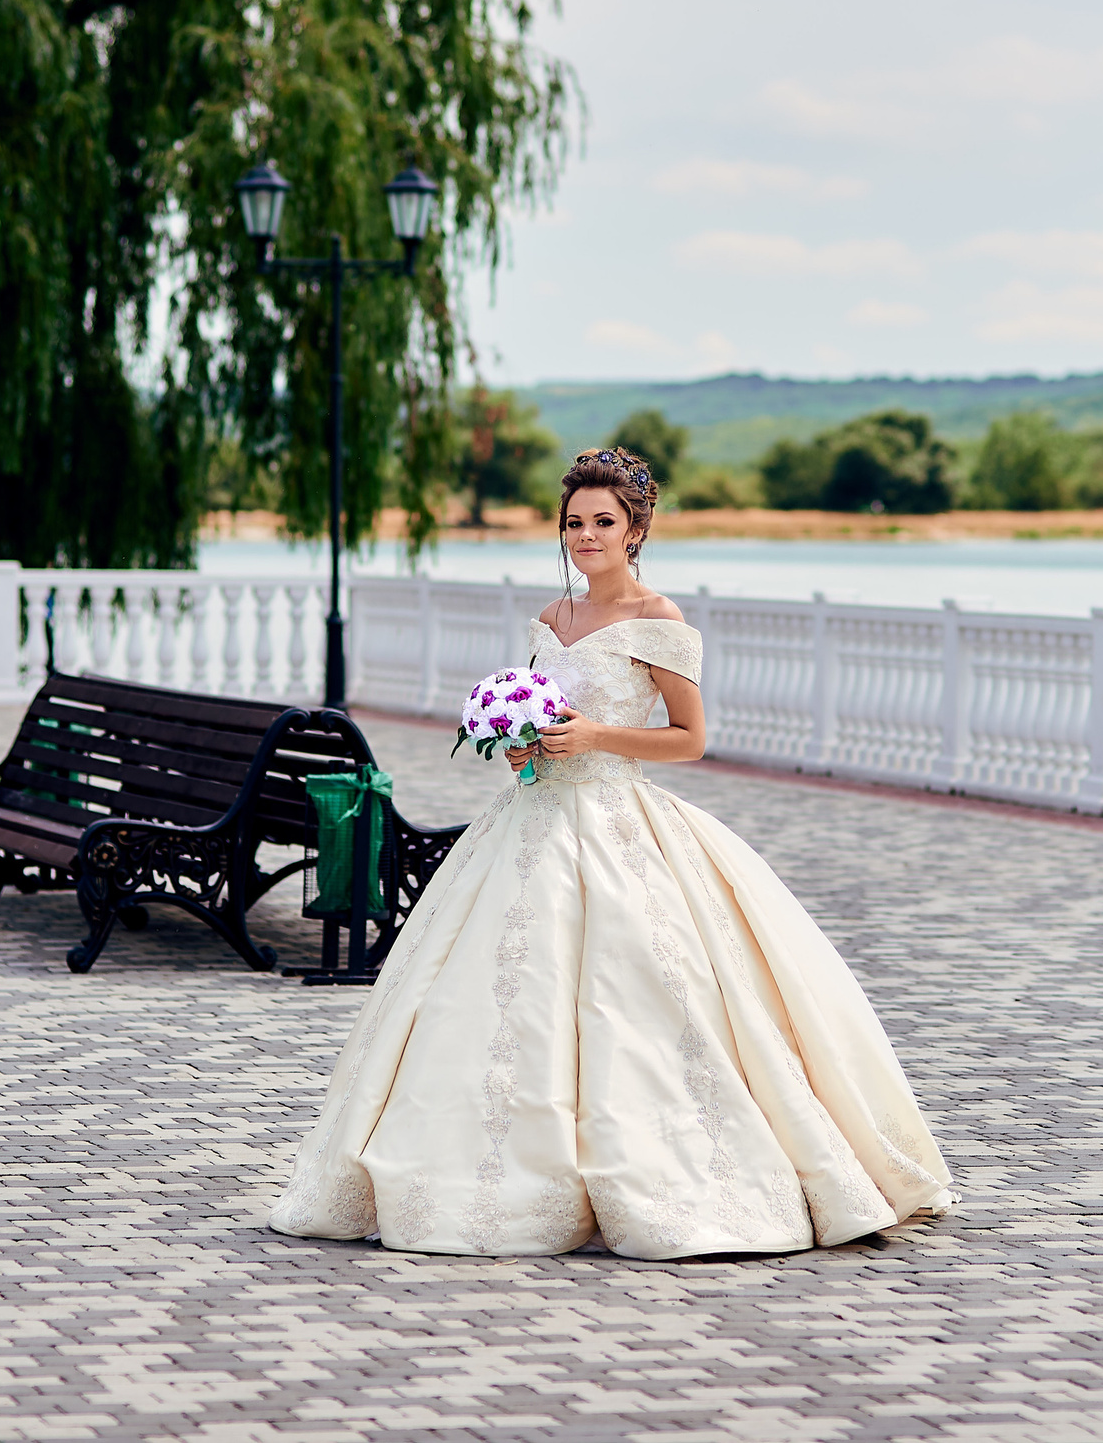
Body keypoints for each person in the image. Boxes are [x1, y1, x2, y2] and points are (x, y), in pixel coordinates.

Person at [269, 447, 952, 1259]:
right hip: (527, 821)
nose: (585, 536)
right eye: (574, 523)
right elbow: (540, 717)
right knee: (487, 997)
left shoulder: (661, 622)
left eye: (603, 522)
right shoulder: (551, 621)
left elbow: (690, 739)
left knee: (643, 995)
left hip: (617, 820)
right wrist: (520, 746)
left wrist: (593, 737)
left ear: (636, 529)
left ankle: (668, 1176)